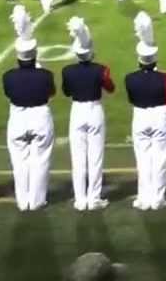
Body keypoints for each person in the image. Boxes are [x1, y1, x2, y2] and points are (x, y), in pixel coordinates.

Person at [2, 5, 56, 212]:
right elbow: (51, 93)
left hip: (17, 118)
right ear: (35, 54)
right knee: (40, 160)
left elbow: (9, 94)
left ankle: (22, 201)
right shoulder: (46, 75)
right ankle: (37, 200)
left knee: (19, 162)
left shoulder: (8, 76)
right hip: (40, 117)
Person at [62, 17, 115, 212]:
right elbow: (110, 88)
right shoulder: (101, 70)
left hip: (77, 111)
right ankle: (94, 198)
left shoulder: (68, 71)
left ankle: (80, 199)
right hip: (94, 111)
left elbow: (66, 92)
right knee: (95, 157)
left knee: (77, 158)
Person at [126, 11, 166, 210]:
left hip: (140, 116)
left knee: (142, 159)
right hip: (160, 116)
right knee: (160, 159)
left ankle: (143, 198)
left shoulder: (130, 78)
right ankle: (158, 199)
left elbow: (131, 99)